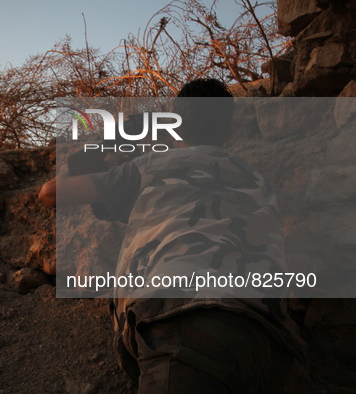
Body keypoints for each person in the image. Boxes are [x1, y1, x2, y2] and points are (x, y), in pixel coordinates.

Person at [39, 79, 306, 393]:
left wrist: (91, 156)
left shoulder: (150, 166)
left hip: (185, 323)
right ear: (229, 131)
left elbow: (51, 193)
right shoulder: (257, 181)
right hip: (270, 343)